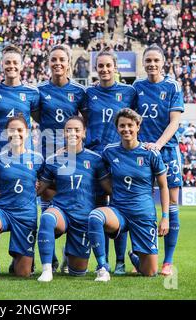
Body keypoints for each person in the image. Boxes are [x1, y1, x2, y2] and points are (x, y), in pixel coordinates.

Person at [88, 108, 169, 282]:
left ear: (138, 126)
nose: (126, 129)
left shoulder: (151, 153)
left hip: (143, 214)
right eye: (122, 125)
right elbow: (97, 169)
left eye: (130, 125)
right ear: (117, 128)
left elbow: (163, 186)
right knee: (95, 216)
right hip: (120, 211)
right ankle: (103, 267)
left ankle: (134, 254)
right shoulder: (109, 151)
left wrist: (165, 217)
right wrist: (69, 150)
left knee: (150, 272)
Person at [0, 44, 40, 272]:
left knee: (26, 204)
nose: (11, 66)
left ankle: (26, 258)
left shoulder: (32, 93)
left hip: (24, 160)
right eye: (7, 63)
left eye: (15, 62)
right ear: (2, 65)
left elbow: (41, 120)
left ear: (22, 65)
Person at [36, 116, 110, 282]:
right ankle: (47, 269)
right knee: (47, 217)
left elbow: (108, 188)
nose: (72, 133)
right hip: (61, 210)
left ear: (84, 133)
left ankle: (68, 255)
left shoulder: (95, 159)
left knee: (78, 272)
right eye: (68, 129)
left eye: (77, 130)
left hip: (84, 216)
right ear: (63, 133)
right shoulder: (54, 159)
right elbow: (40, 188)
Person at [84, 48, 137, 275]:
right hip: (95, 158)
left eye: (108, 66)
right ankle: (101, 261)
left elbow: (135, 121)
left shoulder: (129, 92)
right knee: (97, 209)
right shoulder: (88, 93)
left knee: (119, 207)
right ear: (96, 69)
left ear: (116, 68)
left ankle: (121, 262)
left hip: (119, 158)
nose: (104, 70)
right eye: (100, 66)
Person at [133, 44, 184, 276]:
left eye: (156, 60)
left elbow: (175, 122)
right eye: (148, 60)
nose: (152, 64)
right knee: (138, 202)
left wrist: (159, 144)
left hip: (167, 151)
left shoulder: (173, 86)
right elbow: (130, 118)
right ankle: (139, 256)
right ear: (143, 63)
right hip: (141, 153)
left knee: (171, 203)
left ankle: (168, 261)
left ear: (163, 62)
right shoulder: (137, 87)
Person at [37, 44, 87, 272]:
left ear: (69, 63)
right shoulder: (39, 91)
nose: (58, 63)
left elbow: (85, 123)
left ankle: (70, 252)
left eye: (62, 60)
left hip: (72, 159)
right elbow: (37, 116)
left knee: (72, 203)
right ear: (49, 63)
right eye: (53, 59)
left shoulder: (79, 91)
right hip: (47, 155)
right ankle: (52, 256)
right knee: (47, 203)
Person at [0, 114, 43, 281]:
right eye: (12, 130)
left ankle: (18, 260)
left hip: (26, 215)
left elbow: (49, 183)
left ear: (27, 133)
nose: (16, 134)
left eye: (20, 130)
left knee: (23, 274)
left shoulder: (38, 159)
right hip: (3, 211)